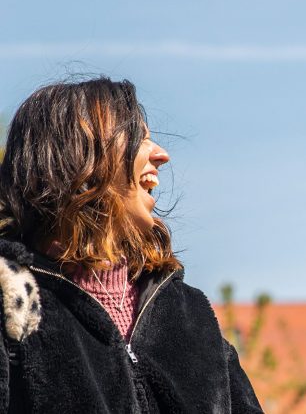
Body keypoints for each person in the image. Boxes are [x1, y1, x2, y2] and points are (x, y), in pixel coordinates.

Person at [0, 78, 264, 412]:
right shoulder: (11, 304)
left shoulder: (191, 315)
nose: (162, 155)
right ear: (79, 154)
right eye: (139, 138)